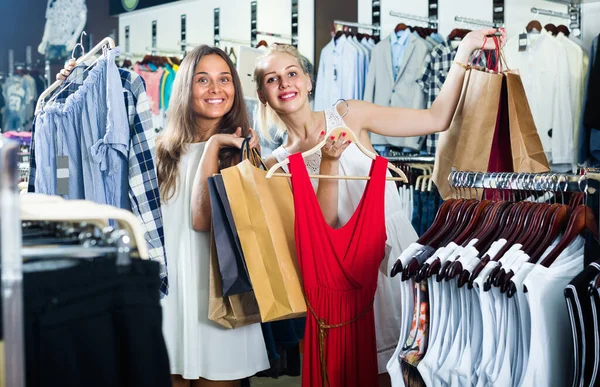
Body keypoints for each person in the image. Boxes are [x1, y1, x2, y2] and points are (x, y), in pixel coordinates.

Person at [254, 28, 507, 387]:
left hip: (394, 259)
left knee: (413, 368)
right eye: (272, 79)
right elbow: (324, 227)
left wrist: (464, 51)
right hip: (342, 282)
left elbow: (437, 118)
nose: (285, 83)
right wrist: (326, 162)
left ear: (308, 81)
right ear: (263, 94)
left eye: (292, 73)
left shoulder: (350, 115)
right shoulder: (277, 163)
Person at [58, 45, 268, 387]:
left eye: (224, 79)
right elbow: (90, 162)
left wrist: (215, 147)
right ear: (185, 87)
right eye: (203, 79)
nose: (216, 89)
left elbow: (204, 221)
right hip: (168, 300)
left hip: (219, 300)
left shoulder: (243, 152)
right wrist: (71, 89)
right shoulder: (157, 151)